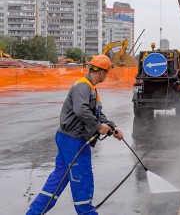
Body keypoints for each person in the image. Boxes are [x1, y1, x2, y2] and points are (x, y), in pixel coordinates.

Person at [26, 55, 124, 215]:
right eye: (107, 73)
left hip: (69, 139)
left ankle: (33, 213)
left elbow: (97, 113)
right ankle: (87, 213)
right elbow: (81, 110)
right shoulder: (83, 87)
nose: (106, 77)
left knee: (57, 181)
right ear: (102, 72)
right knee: (82, 179)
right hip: (74, 140)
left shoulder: (91, 88)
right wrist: (99, 127)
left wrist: (113, 127)